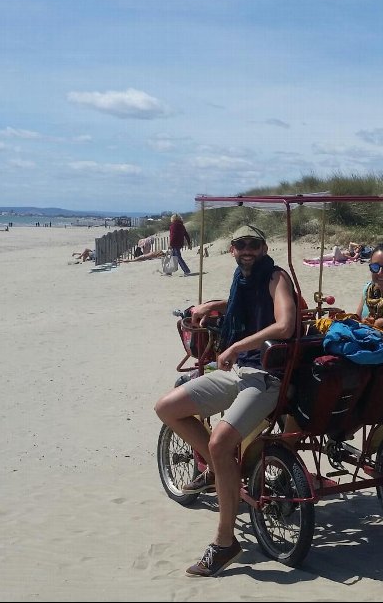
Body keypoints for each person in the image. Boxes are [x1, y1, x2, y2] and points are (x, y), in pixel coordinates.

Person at [154, 224, 297, 577]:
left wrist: (235, 346)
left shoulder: (275, 278)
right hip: (236, 373)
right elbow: (239, 305)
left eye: (254, 244)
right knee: (166, 408)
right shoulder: (241, 279)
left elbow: (286, 325)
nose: (247, 250)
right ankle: (222, 470)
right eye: (241, 244)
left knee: (219, 442)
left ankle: (224, 542)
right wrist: (215, 305)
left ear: (264, 248)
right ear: (232, 250)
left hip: (265, 376)